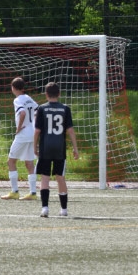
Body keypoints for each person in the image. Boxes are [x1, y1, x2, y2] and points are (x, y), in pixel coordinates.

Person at [34, 82, 80, 218]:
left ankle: (45, 208)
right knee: (60, 177)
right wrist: (75, 148)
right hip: (60, 148)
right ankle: (64, 209)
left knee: (45, 177)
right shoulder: (65, 109)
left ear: (46, 94)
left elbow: (37, 131)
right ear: (59, 94)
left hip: (45, 147)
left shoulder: (42, 109)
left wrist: (34, 147)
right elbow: (70, 130)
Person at [0, 77, 39, 200]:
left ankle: (15, 191)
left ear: (13, 88)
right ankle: (33, 193)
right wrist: (34, 125)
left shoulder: (17, 100)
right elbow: (38, 111)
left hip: (23, 135)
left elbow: (22, 113)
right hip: (32, 134)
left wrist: (19, 127)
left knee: (11, 161)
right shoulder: (28, 98)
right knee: (29, 162)